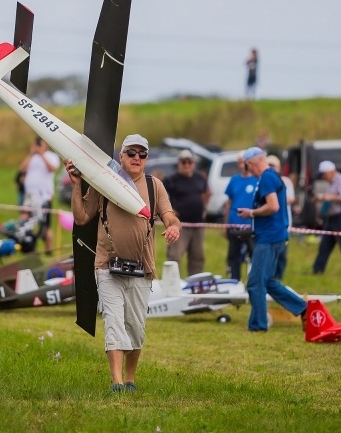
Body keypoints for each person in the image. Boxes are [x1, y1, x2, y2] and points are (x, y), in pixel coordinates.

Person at [67, 134, 181, 393]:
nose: (137, 158)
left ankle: (130, 379)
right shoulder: (106, 182)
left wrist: (174, 228)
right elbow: (82, 216)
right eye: (131, 153)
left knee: (136, 328)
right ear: (122, 156)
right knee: (114, 322)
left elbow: (170, 216)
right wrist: (76, 185)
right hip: (107, 265)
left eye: (142, 154)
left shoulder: (155, 187)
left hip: (143, 269)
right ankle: (116, 382)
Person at [237, 147, 306, 333]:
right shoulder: (271, 176)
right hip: (273, 235)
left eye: (247, 166)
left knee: (255, 282)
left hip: (269, 237)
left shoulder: (267, 177)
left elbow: (273, 206)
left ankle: (258, 325)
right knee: (266, 281)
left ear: (252, 163)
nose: (247, 170)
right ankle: (303, 308)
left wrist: (251, 213)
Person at [163, 149, 210, 276]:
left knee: (197, 257)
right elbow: (159, 196)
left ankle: (194, 286)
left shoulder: (200, 178)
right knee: (175, 256)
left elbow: (207, 192)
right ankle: (172, 283)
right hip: (180, 224)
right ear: (179, 163)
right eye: (184, 162)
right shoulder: (171, 180)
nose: (186, 165)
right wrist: (170, 211)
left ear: (193, 163)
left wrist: (204, 208)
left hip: (197, 224)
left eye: (189, 162)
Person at [311, 160, 341, 275]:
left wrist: (328, 197)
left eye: (324, 174)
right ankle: (317, 270)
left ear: (331, 172)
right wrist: (321, 199)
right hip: (331, 217)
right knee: (325, 245)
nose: (323, 176)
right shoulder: (330, 182)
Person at [20, 137, 61, 254]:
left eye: (40, 144)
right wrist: (31, 154)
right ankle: (28, 245)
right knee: (28, 220)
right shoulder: (32, 157)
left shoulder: (51, 156)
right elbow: (22, 169)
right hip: (29, 195)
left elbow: (52, 168)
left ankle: (48, 249)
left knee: (45, 224)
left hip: (44, 196)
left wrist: (42, 154)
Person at [223, 151, 257, 281]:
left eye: (244, 162)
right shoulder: (234, 180)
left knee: (253, 255)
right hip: (234, 223)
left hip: (251, 225)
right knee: (233, 256)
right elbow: (229, 203)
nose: (242, 165)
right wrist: (225, 225)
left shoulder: (256, 180)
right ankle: (234, 281)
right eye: (239, 163)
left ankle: (253, 283)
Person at [267, 154, 295, 279]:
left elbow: (290, 199)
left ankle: (278, 276)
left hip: (284, 222)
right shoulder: (264, 181)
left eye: (274, 166)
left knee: (282, 252)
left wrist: (273, 199)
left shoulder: (286, 181)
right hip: (269, 224)